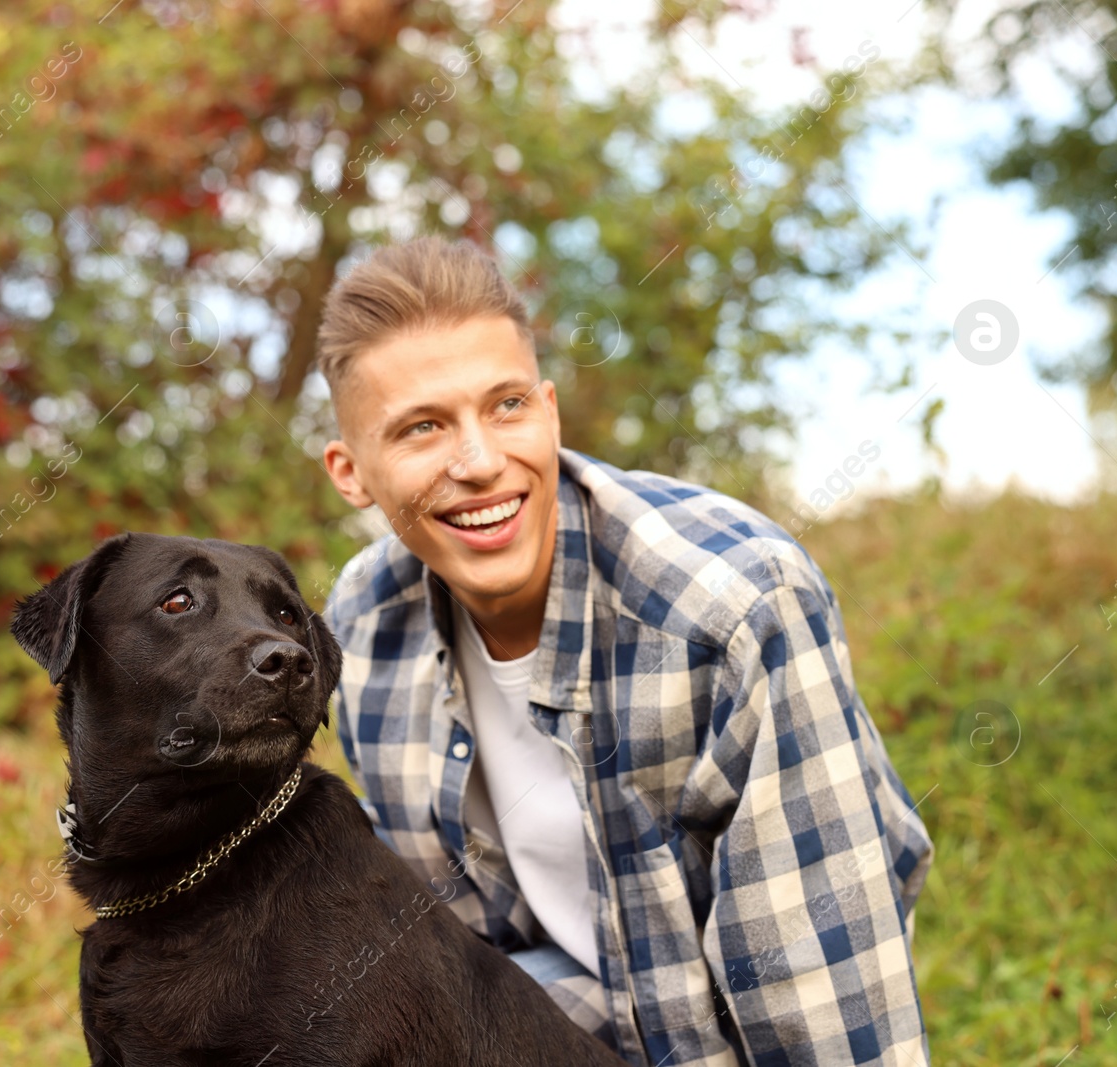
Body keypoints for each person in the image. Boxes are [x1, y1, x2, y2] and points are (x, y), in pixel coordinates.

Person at [316, 235, 933, 1066]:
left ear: (550, 409)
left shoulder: (737, 601)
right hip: (561, 1022)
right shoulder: (360, 624)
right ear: (351, 472)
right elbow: (454, 969)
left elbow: (823, 990)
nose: (480, 462)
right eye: (423, 427)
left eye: (506, 406)